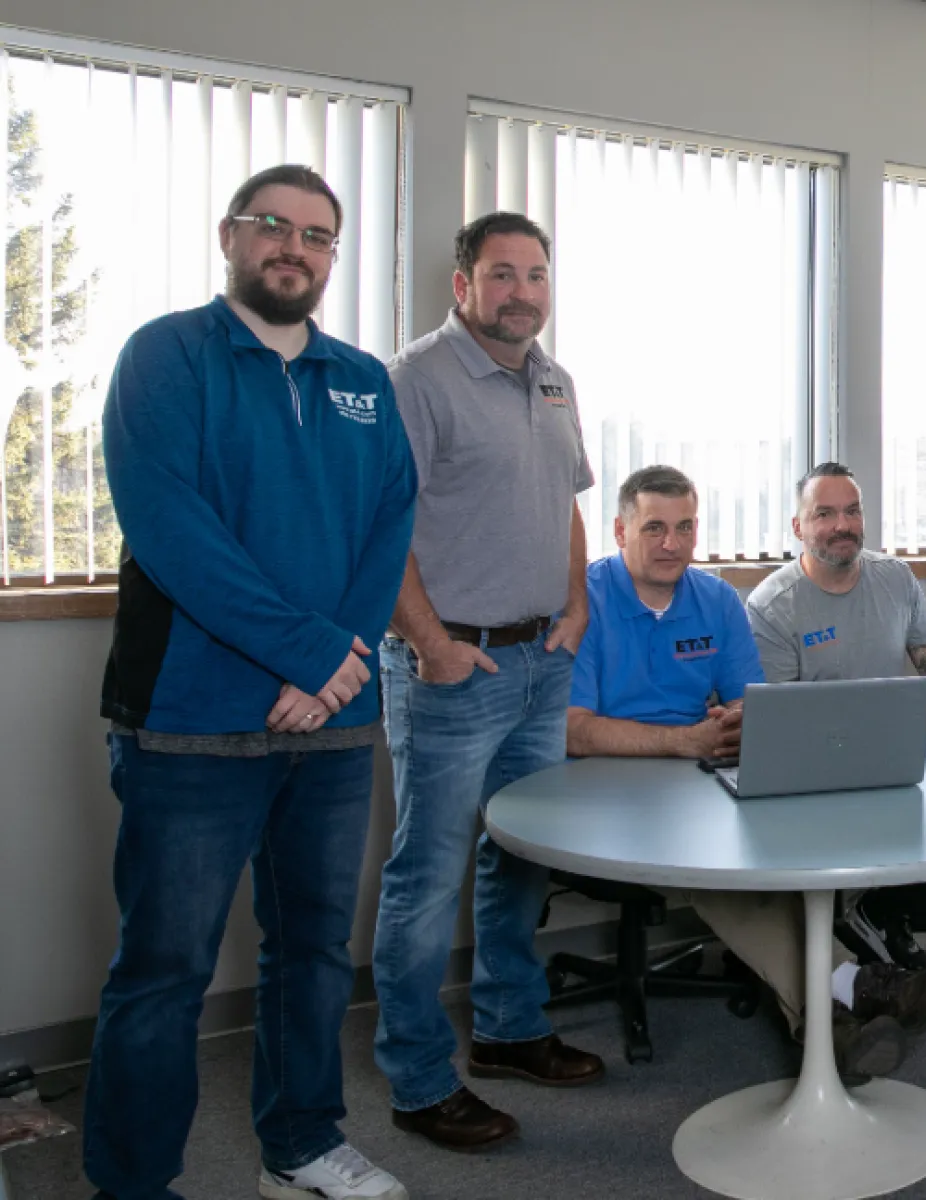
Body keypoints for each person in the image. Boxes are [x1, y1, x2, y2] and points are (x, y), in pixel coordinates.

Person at [89, 165, 416, 1200]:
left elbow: (388, 527)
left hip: (328, 726)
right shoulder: (167, 356)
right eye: (275, 226)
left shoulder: (361, 378)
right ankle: (134, 1184)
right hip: (189, 724)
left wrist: (335, 666)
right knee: (164, 972)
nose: (296, 246)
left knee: (316, 953)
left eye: (319, 235)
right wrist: (307, 654)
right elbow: (173, 533)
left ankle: (302, 1145)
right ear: (233, 235)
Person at [567, 465, 926, 1078]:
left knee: (769, 844)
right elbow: (576, 729)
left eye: (686, 527)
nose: (673, 543)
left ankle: (833, 1025)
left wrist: (743, 720)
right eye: (655, 528)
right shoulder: (586, 601)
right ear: (619, 530)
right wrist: (682, 741)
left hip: (699, 769)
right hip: (611, 782)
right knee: (722, 868)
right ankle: (856, 989)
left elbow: (754, 702)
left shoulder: (718, 598)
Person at [372, 212, 602, 1153]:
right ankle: (419, 1080)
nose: (523, 291)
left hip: (540, 660)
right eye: (502, 274)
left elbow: (569, 502)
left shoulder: (553, 378)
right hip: (451, 669)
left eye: (537, 274)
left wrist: (577, 605)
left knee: (521, 856)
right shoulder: (414, 379)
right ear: (461, 284)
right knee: (426, 877)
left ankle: (510, 1029)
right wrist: (428, 642)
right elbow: (381, 528)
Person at [746, 462, 926, 969]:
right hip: (811, 775)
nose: (842, 525)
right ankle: (866, 929)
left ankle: (880, 915)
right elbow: (777, 727)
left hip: (891, 762)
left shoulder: (894, 578)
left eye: (852, 511)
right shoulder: (773, 605)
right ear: (798, 527)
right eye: (824, 513)